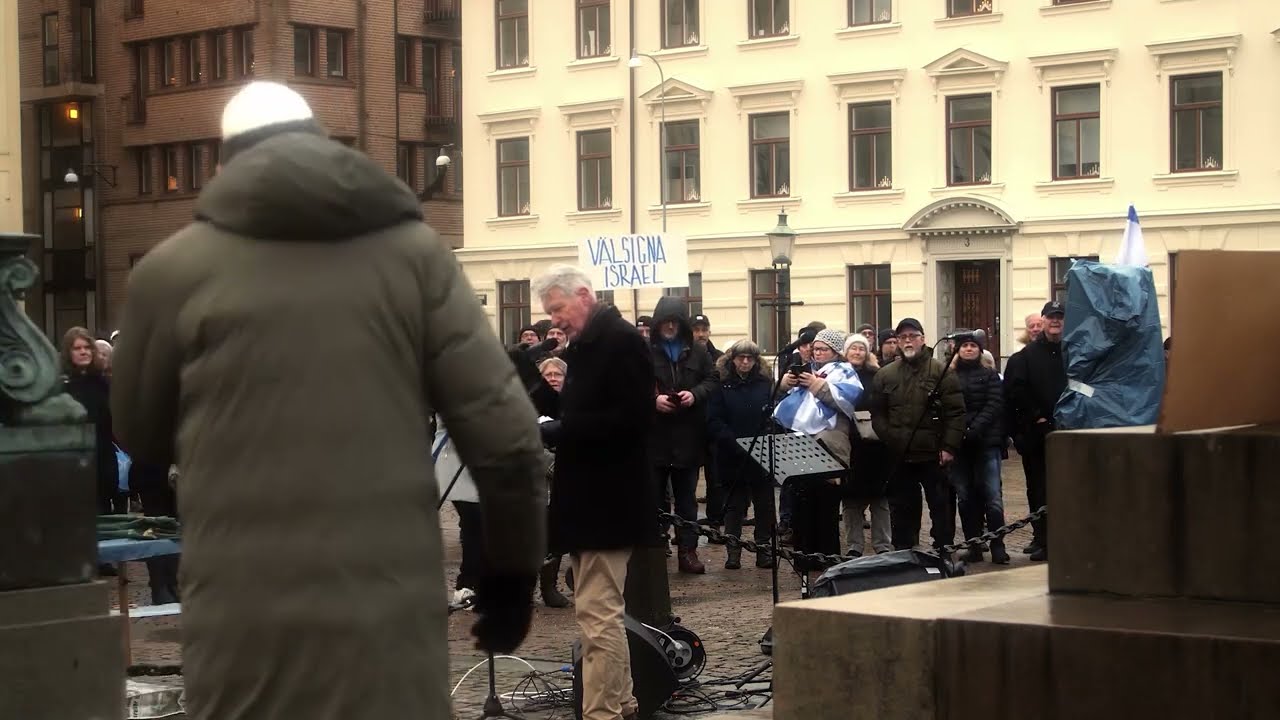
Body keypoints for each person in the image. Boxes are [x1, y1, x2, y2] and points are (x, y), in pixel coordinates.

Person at [110, 81, 547, 720]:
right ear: (321, 142)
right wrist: (512, 579)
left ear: (225, 161)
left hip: (242, 619)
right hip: (387, 619)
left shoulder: (170, 271)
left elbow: (141, 433)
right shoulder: (415, 255)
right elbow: (507, 437)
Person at [535, 264, 654, 720]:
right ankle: (622, 704)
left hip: (610, 501)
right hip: (588, 502)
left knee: (597, 616)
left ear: (583, 295)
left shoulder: (621, 341)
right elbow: (577, 405)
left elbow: (635, 419)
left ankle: (601, 713)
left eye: (558, 309)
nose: (554, 320)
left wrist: (563, 430)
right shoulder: (583, 346)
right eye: (548, 313)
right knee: (601, 615)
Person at [870, 318, 966, 554]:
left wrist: (949, 447)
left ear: (922, 339)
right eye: (903, 337)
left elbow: (956, 413)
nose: (908, 341)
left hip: (933, 454)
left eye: (913, 336)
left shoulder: (940, 371)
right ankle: (905, 553)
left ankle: (943, 550)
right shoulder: (885, 375)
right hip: (900, 455)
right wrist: (890, 437)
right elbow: (878, 414)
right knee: (903, 508)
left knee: (941, 507)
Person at [1004, 301, 1068, 562]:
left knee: (1066, 489)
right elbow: (1015, 392)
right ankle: (1042, 539)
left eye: (1060, 317)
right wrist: (1036, 417)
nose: (1055, 321)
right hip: (1038, 436)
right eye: (1051, 317)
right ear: (1043, 320)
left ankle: (1064, 539)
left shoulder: (1074, 351)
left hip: (1068, 434)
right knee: (1039, 489)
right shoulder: (1025, 357)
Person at [706, 339, 777, 570]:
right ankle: (733, 550)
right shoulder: (721, 384)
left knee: (764, 506)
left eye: (750, 358)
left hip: (761, 454)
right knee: (734, 507)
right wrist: (733, 442)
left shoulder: (765, 384)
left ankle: (763, 550)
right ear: (733, 359)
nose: (745, 362)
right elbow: (714, 420)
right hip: (731, 454)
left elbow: (773, 414)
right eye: (741, 357)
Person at [947, 331, 1009, 564]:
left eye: (973, 346)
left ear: (980, 350)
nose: (969, 349)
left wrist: (973, 429)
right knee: (965, 498)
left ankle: (998, 544)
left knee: (992, 497)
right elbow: (949, 407)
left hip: (986, 443)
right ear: (958, 350)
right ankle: (974, 544)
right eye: (964, 346)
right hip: (960, 446)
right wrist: (959, 432)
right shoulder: (949, 377)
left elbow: (994, 406)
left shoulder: (990, 376)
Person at [841, 333, 891, 557]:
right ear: (846, 351)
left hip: (874, 444)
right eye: (853, 348)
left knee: (880, 498)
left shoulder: (877, 375)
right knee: (851, 499)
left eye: (861, 348)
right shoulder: (839, 375)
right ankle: (854, 545)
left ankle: (882, 544)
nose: (857, 352)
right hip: (849, 444)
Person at [62, 327, 120, 515]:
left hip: (103, 461)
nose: (83, 351)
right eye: (77, 348)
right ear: (68, 353)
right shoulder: (63, 388)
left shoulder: (104, 385)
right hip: (74, 464)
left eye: (87, 347)